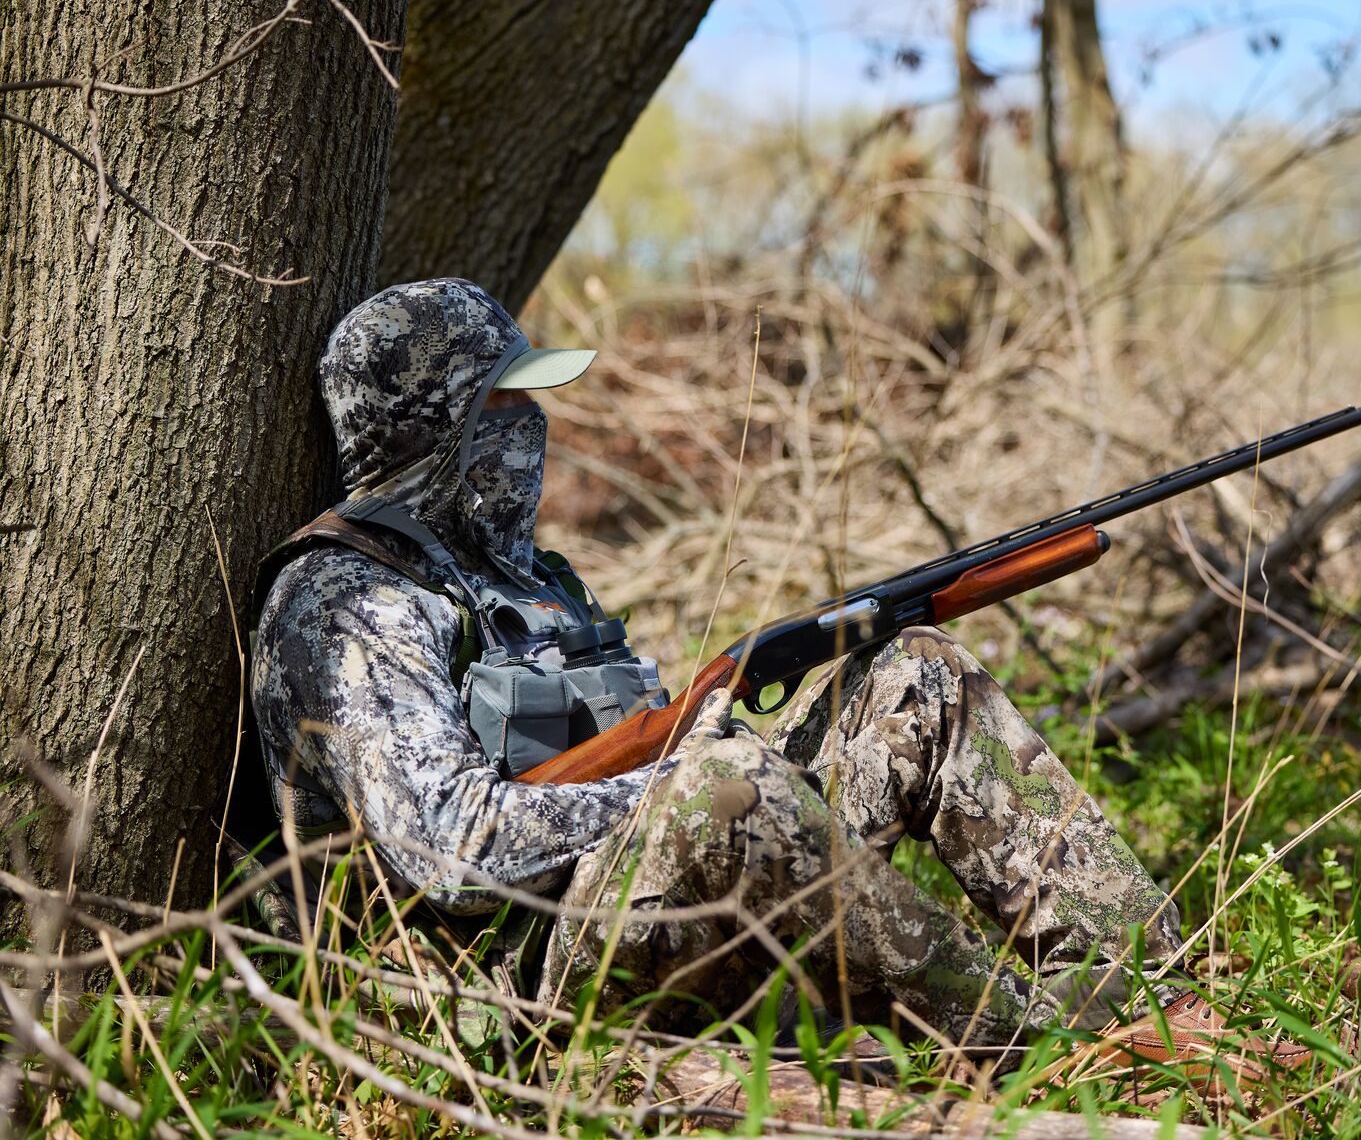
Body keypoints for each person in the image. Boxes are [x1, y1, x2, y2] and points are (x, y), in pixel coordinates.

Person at [251, 277, 1289, 1080]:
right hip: (506, 988)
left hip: (639, 901)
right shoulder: (345, 601)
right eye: (503, 410)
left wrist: (699, 746)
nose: (534, 431)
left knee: (914, 675)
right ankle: (1046, 1047)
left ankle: (1157, 996)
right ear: (431, 431)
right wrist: (687, 772)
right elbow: (452, 851)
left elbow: (636, 742)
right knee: (721, 789)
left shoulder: (514, 572)